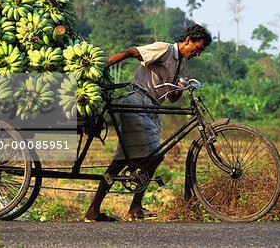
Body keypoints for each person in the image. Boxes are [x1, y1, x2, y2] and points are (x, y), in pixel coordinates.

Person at [84, 24, 212, 222]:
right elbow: (131, 52)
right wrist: (102, 67)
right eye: (198, 48)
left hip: (151, 108)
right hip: (137, 102)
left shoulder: (181, 66)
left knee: (124, 161)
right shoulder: (164, 49)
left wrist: (179, 88)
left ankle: (96, 210)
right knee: (154, 154)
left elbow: (173, 99)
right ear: (187, 40)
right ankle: (134, 206)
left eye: (201, 51)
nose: (198, 53)